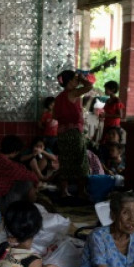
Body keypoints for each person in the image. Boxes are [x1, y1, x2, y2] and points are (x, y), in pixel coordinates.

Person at [53, 70, 93, 198]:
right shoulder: (73, 93)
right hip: (74, 134)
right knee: (80, 161)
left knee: (65, 161)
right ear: (70, 81)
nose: (77, 81)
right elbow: (89, 86)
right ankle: (81, 192)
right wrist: (82, 78)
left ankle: (64, 191)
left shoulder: (59, 97)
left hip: (62, 134)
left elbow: (54, 116)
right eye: (75, 79)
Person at [0, 135, 40, 210]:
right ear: (14, 151)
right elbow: (29, 175)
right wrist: (37, 184)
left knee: (22, 181)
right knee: (28, 183)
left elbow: (19, 168)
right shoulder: (5, 162)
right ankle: (31, 207)